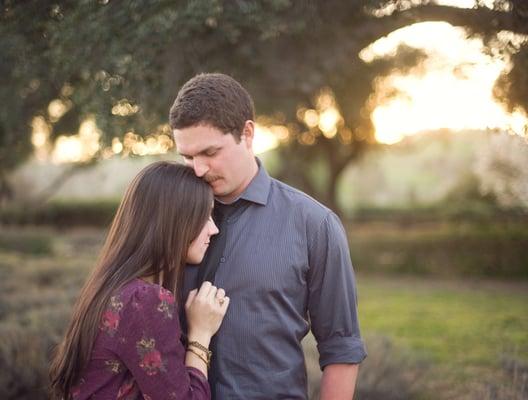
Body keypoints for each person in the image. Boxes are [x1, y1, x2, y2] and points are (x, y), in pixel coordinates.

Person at [170, 73, 367, 399]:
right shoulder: (168, 218)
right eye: (188, 157)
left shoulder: (314, 225)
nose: (199, 170)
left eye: (210, 152)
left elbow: (341, 348)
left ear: (247, 134)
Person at [49, 161, 229, 400]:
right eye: (204, 216)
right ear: (175, 221)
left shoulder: (112, 287)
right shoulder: (144, 300)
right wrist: (201, 334)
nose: (214, 228)